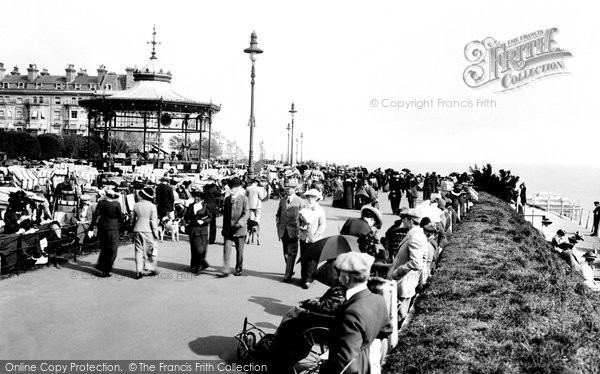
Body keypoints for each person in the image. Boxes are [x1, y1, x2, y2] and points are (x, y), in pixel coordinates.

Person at [320, 252, 392, 374]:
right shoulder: (378, 300)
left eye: (341, 273)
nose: (339, 277)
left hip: (356, 365)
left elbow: (346, 364)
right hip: (368, 361)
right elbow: (386, 331)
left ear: (346, 278)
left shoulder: (352, 313)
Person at [387, 208, 428, 320]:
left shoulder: (415, 237)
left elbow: (416, 263)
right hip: (406, 282)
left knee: (399, 316)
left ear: (410, 220)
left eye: (404, 219)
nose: (402, 221)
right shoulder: (416, 234)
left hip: (404, 283)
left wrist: (397, 272)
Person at [90, 189, 124, 277]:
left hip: (102, 227)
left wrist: (91, 227)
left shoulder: (101, 203)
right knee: (113, 250)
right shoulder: (117, 204)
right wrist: (122, 226)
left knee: (104, 248)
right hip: (113, 228)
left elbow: (96, 215)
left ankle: (101, 266)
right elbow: (120, 217)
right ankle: (107, 269)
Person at [298, 189, 327, 289]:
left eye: (313, 197)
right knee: (304, 257)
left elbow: (322, 224)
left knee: (312, 259)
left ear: (317, 198)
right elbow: (298, 220)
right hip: (303, 236)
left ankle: (308, 279)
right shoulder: (303, 208)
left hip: (315, 238)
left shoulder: (320, 210)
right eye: (308, 197)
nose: (310, 199)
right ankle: (303, 277)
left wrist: (317, 234)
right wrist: (300, 228)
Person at [276, 181, 304, 282]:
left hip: (294, 231)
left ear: (295, 189)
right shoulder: (282, 200)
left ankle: (287, 274)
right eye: (286, 187)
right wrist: (278, 225)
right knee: (285, 253)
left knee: (291, 253)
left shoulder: (300, 201)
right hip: (283, 231)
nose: (287, 189)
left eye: (290, 187)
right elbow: (278, 214)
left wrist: (300, 229)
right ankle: (290, 269)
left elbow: (303, 217)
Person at [221, 177, 249, 276]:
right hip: (228, 229)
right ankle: (226, 269)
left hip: (239, 230)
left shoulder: (244, 199)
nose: (231, 189)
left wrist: (239, 223)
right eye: (230, 187)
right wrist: (224, 229)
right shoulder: (227, 200)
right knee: (226, 249)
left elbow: (246, 214)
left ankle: (238, 267)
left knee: (239, 250)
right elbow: (225, 216)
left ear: (238, 188)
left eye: (233, 188)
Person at [131, 187, 159, 279]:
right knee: (150, 250)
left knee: (138, 251)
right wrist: (156, 233)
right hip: (148, 230)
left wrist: (132, 229)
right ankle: (150, 268)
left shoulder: (136, 205)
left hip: (137, 229)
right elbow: (153, 222)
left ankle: (138, 271)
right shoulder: (152, 206)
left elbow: (133, 219)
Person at [185, 190, 212, 273]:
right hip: (192, 230)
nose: (196, 198)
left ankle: (201, 264)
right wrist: (185, 224)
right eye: (195, 196)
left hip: (201, 231)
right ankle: (193, 266)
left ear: (202, 198)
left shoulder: (206, 206)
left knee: (199, 249)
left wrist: (204, 221)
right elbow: (186, 216)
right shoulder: (191, 206)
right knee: (193, 249)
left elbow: (210, 217)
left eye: (198, 197)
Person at [203, 176, 223, 244]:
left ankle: (203, 237)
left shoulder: (205, 187)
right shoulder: (214, 187)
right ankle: (211, 240)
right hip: (212, 206)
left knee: (204, 222)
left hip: (205, 205)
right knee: (212, 224)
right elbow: (220, 193)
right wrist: (218, 185)